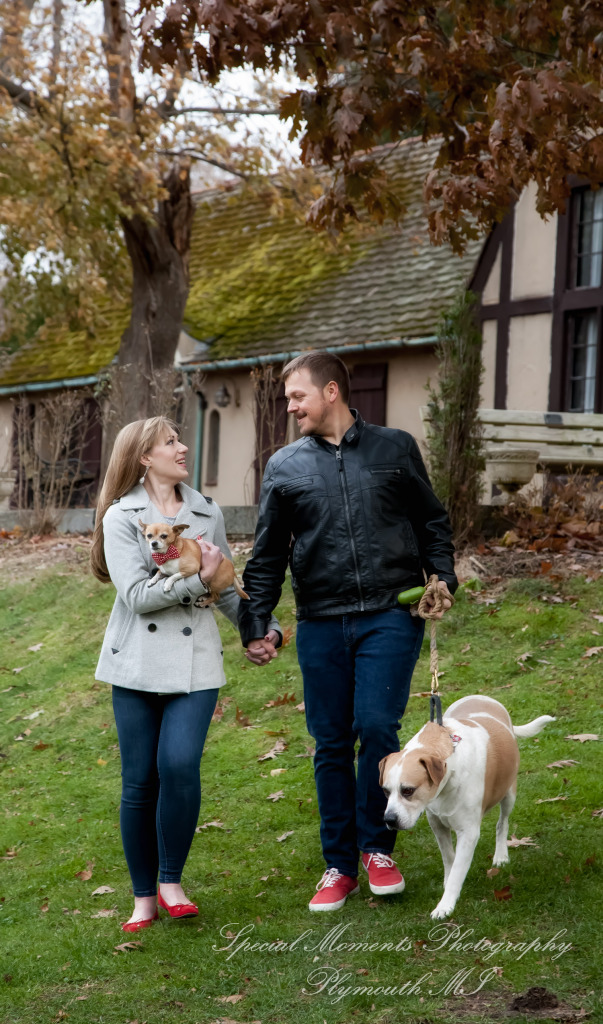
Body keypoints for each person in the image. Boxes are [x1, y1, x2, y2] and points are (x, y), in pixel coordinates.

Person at [239, 352, 456, 912]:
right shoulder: (285, 467)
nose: (290, 408)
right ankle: (338, 864)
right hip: (320, 621)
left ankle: (377, 849)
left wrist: (444, 577)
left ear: (331, 391)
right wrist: (255, 622)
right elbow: (266, 556)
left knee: (379, 727)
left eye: (297, 397)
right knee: (332, 740)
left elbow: (432, 520)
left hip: (390, 612)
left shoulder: (395, 448)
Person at [91, 416, 279, 931]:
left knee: (178, 765)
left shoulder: (205, 511)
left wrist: (264, 629)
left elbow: (225, 581)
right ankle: (142, 898)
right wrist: (194, 579)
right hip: (134, 665)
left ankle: (171, 881)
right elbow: (136, 597)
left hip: (196, 662)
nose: (183, 446)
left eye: (180, 438)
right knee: (139, 781)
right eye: (170, 441)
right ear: (144, 457)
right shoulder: (121, 517)